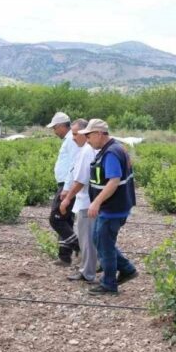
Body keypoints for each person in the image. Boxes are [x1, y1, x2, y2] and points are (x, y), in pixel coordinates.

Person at [79, 119, 139, 295]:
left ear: (99, 134)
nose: (87, 140)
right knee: (100, 240)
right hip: (112, 207)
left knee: (104, 243)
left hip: (113, 208)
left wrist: (96, 202)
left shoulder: (111, 153)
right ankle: (127, 269)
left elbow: (113, 181)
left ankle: (109, 284)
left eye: (89, 136)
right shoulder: (113, 149)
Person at [59, 119, 97, 283]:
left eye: (76, 134)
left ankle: (87, 272)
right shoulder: (88, 149)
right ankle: (97, 265)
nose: (73, 138)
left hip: (86, 201)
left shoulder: (86, 151)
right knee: (92, 237)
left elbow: (80, 179)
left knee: (86, 239)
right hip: (88, 200)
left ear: (84, 133)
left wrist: (67, 198)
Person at [47, 112, 80, 266]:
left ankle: (80, 247)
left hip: (68, 185)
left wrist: (67, 189)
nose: (54, 131)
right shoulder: (69, 140)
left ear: (61, 126)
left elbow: (74, 166)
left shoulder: (71, 140)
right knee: (65, 219)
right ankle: (64, 256)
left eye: (55, 128)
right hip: (66, 184)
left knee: (56, 218)